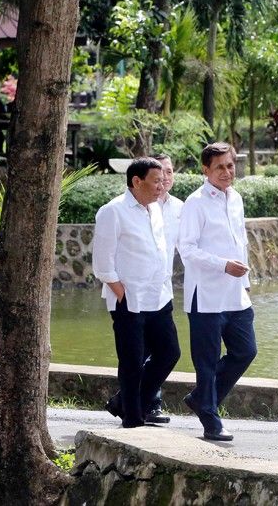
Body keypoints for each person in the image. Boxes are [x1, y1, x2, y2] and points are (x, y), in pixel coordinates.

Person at [92, 157, 181, 428]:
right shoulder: (113, 211)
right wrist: (122, 293)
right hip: (129, 299)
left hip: (159, 297)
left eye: (163, 180)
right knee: (131, 361)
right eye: (156, 181)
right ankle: (132, 420)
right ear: (136, 181)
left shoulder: (154, 209)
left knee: (169, 353)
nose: (161, 185)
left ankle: (126, 403)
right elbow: (102, 263)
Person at [178, 142, 257, 441]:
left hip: (236, 293)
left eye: (230, 165)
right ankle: (210, 417)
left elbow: (242, 241)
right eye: (220, 167)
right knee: (207, 361)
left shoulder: (235, 198)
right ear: (205, 169)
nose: (226, 172)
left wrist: (245, 281)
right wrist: (223, 265)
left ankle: (201, 398)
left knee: (246, 350)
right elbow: (186, 249)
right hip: (206, 295)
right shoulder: (195, 202)